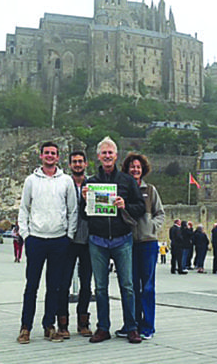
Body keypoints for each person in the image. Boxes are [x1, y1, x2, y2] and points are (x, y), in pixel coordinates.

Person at [81, 137, 146, 344]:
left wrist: (124, 204)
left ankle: (132, 327)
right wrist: (84, 200)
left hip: (122, 239)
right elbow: (83, 216)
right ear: (98, 157)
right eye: (104, 153)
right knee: (100, 287)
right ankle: (103, 327)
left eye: (111, 153)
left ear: (116, 156)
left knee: (127, 285)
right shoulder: (90, 182)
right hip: (97, 240)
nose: (107, 156)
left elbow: (140, 208)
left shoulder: (127, 181)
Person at [16, 141, 78, 344]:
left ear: (58, 157)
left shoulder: (66, 181)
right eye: (47, 153)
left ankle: (49, 325)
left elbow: (72, 210)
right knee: (31, 286)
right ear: (41, 156)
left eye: (53, 153)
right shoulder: (31, 181)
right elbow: (24, 208)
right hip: (36, 239)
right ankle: (25, 327)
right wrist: (26, 234)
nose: (50, 156)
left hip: (59, 240)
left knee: (55, 286)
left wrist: (69, 235)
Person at [119, 152, 165, 340]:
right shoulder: (122, 190)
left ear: (142, 169)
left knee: (147, 287)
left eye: (138, 167)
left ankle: (148, 326)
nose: (135, 170)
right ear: (127, 169)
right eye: (132, 167)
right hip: (128, 243)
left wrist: (151, 227)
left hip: (147, 243)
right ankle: (132, 324)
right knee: (131, 287)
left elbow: (160, 213)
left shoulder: (151, 190)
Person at [56, 151, 93, 338]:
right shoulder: (63, 184)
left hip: (87, 240)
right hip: (67, 240)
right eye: (74, 162)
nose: (78, 164)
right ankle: (62, 323)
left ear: (86, 164)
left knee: (86, 284)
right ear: (70, 165)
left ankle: (83, 321)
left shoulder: (93, 184)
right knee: (63, 284)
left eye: (80, 161)